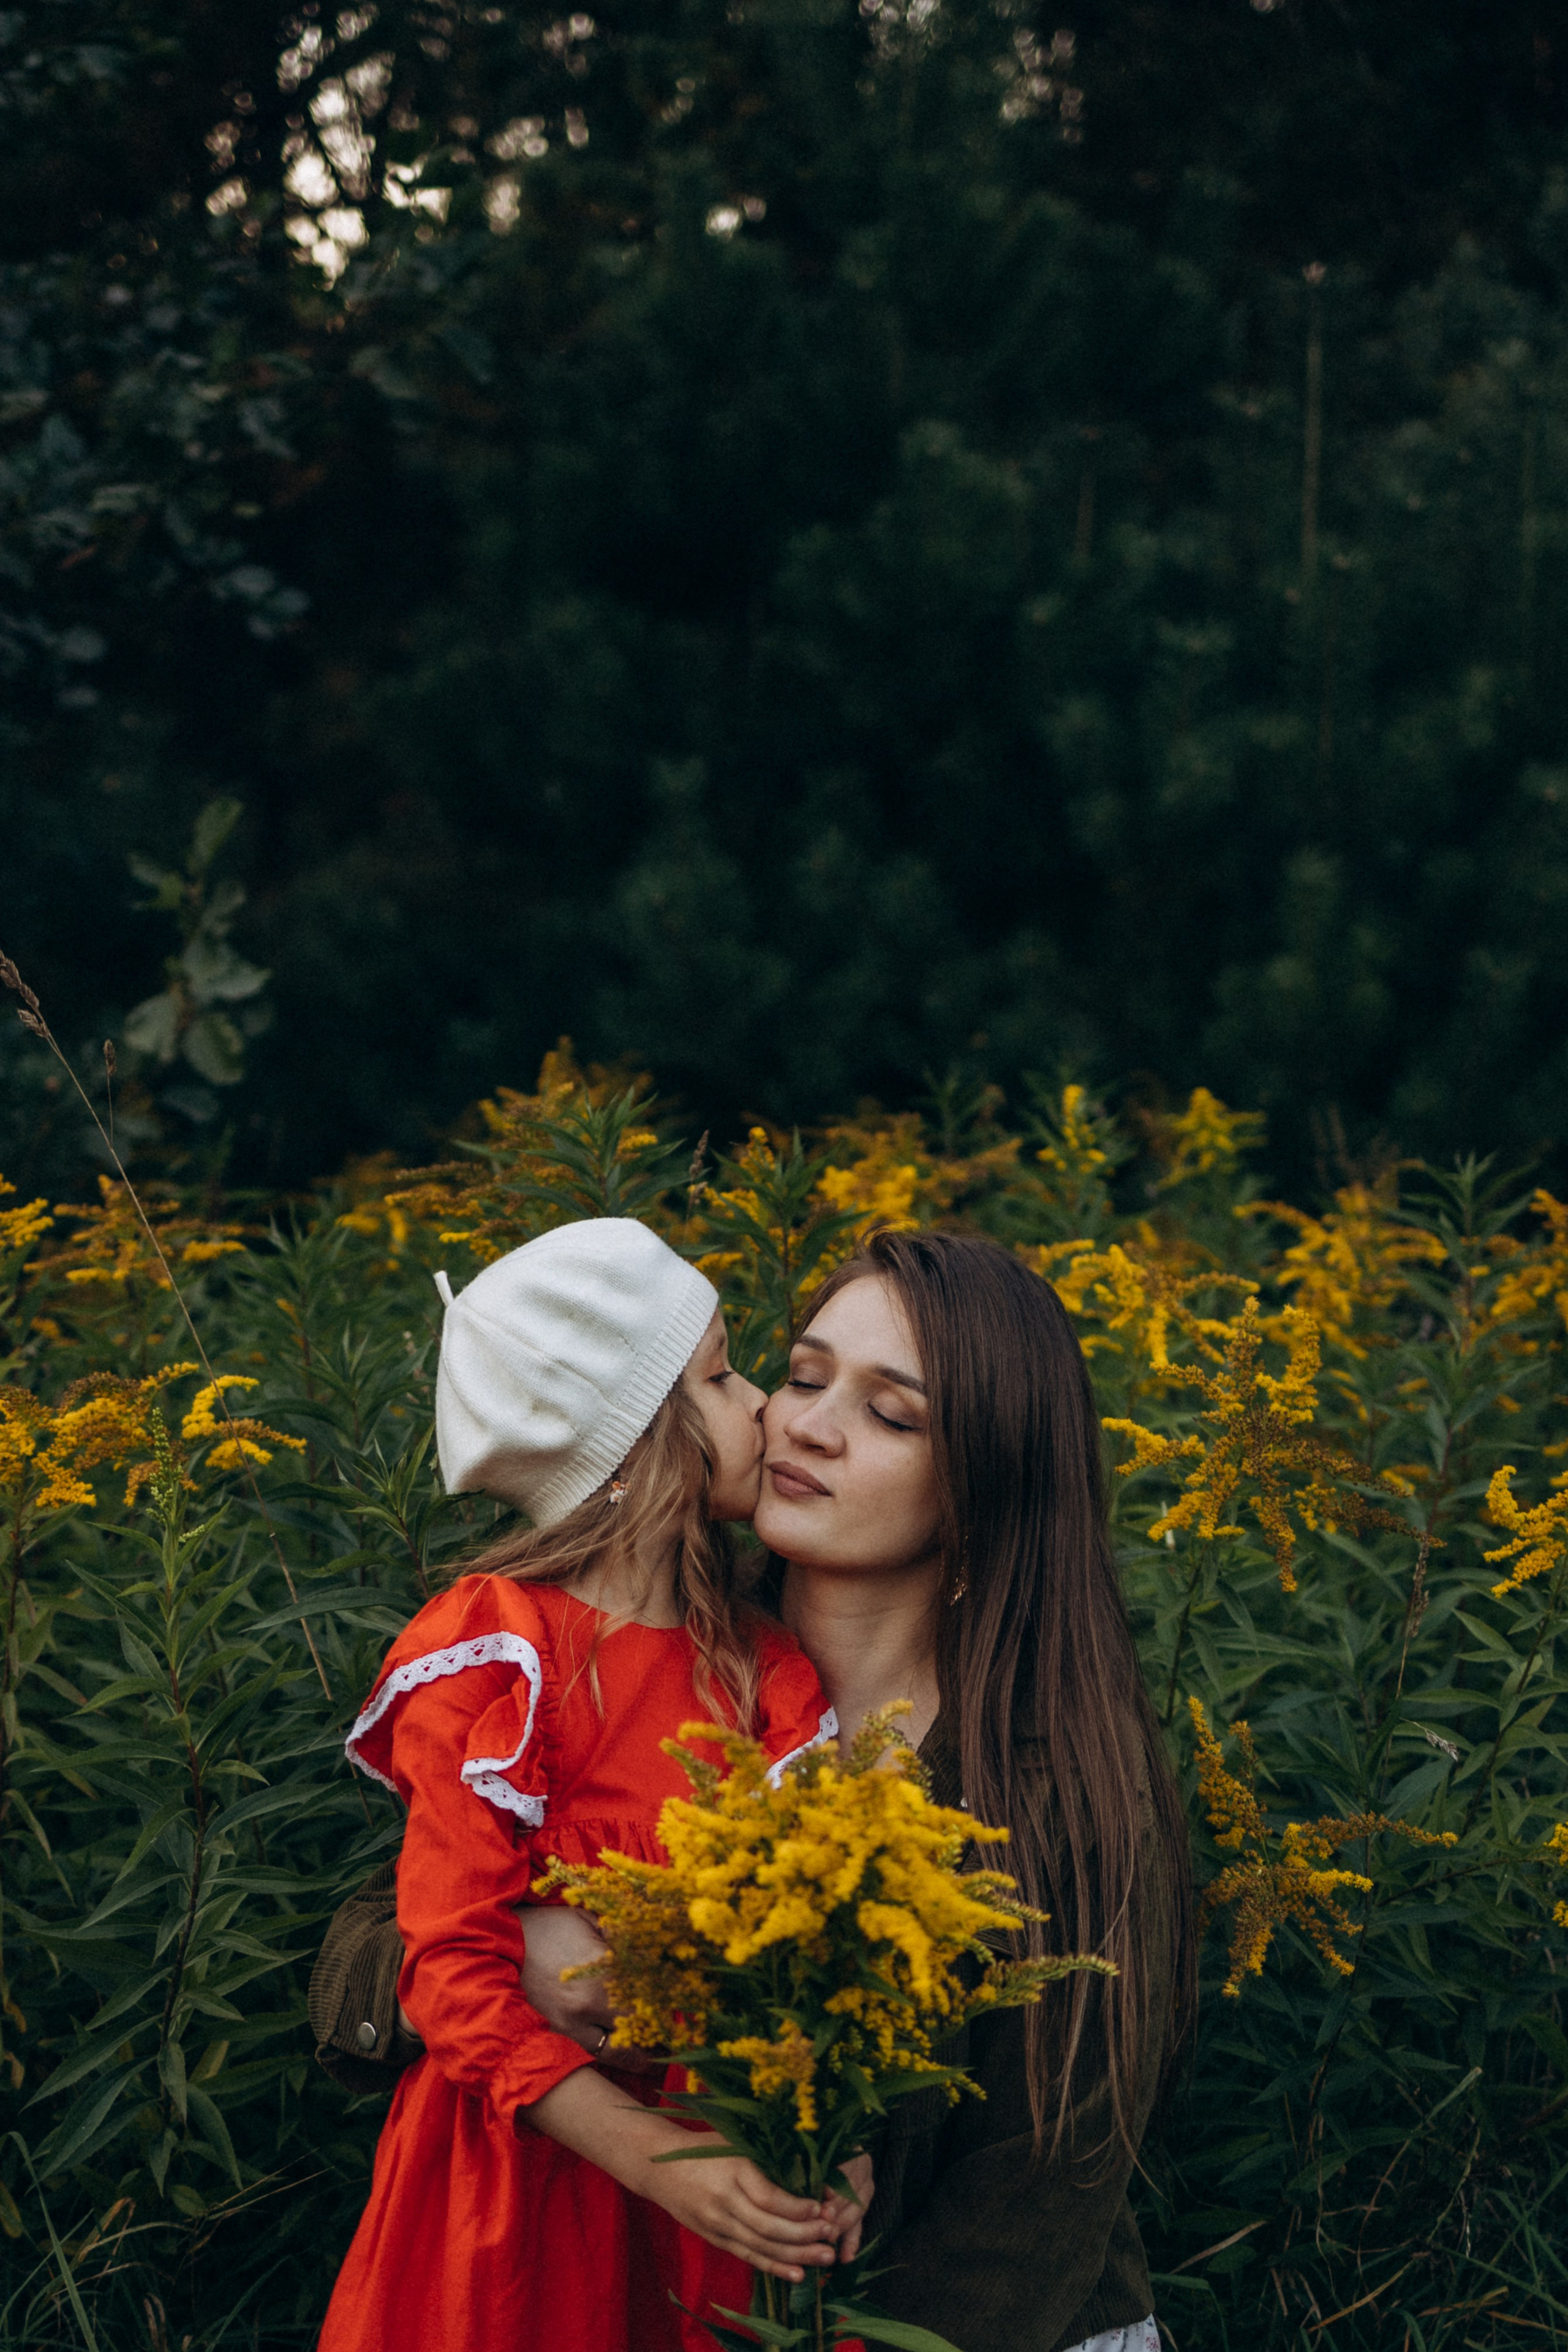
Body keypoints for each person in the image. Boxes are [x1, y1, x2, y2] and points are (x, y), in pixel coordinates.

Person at [314, 1227, 1194, 2352]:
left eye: (892, 1414)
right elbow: (377, 1939)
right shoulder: (629, 1648)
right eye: (804, 1374)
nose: (807, 1424)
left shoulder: (1054, 1787)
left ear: (989, 1485)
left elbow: (1028, 2220)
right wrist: (532, 1960)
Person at [315, 1218, 866, 2352]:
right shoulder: (501, 1649)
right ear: (635, 1439)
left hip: (723, 2196)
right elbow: (453, 1977)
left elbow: (820, 1952)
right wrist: (664, 2164)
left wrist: (839, 2141)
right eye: (721, 1376)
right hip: (518, 2194)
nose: (763, 1402)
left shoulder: (764, 1672)